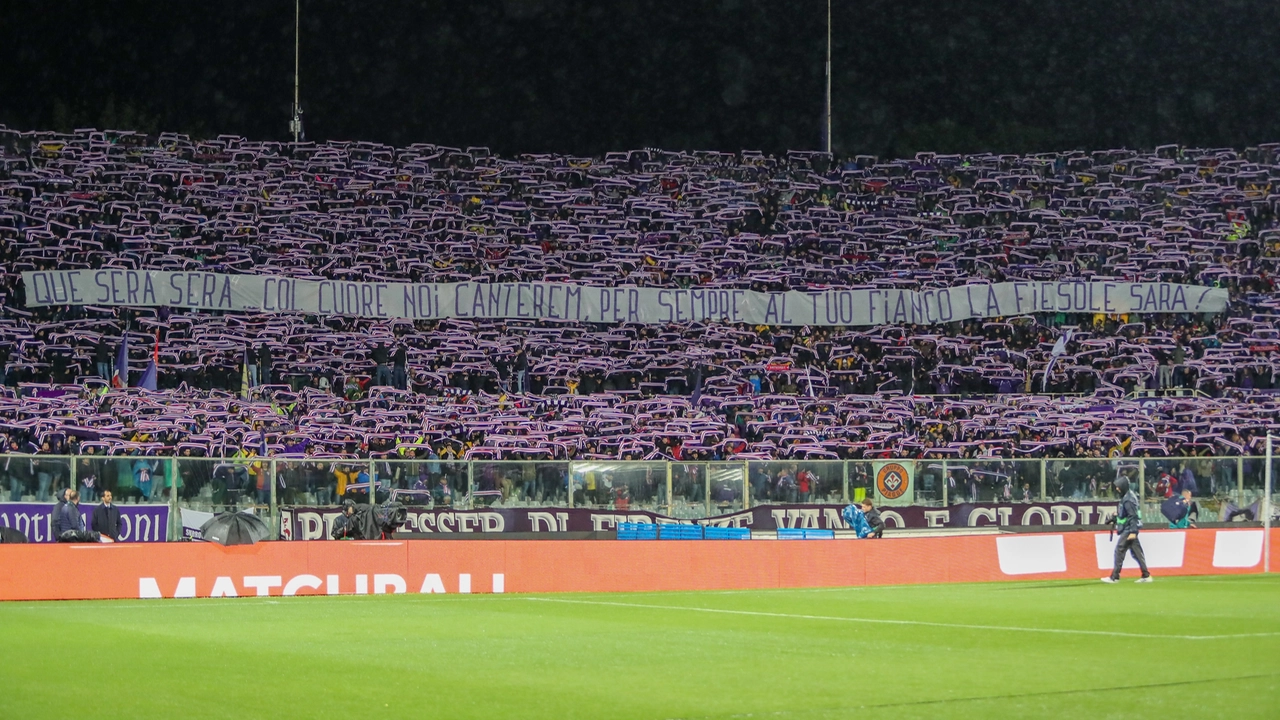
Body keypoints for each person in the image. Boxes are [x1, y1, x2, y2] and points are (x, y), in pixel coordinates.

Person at [1103, 476, 1151, 583]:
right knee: (1137, 553)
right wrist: (1116, 517)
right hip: (1129, 528)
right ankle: (1146, 575)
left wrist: (1133, 532)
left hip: (1129, 530)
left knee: (1119, 551)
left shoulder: (1128, 499)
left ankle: (1114, 577)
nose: (1117, 489)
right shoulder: (1128, 497)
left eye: (1118, 487)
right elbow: (1127, 515)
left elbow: (1132, 516)